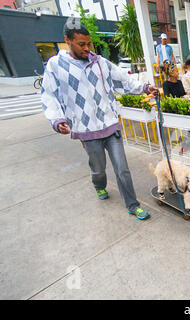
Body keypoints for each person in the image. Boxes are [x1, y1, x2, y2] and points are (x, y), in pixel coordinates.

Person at [41, 20, 159, 220]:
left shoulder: (100, 63)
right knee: (99, 169)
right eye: (81, 44)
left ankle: (132, 205)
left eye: (89, 43)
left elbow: (124, 79)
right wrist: (56, 119)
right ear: (67, 40)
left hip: (110, 125)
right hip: (86, 130)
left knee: (122, 169)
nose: (87, 48)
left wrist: (145, 87)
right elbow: (48, 95)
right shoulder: (56, 65)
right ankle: (98, 185)